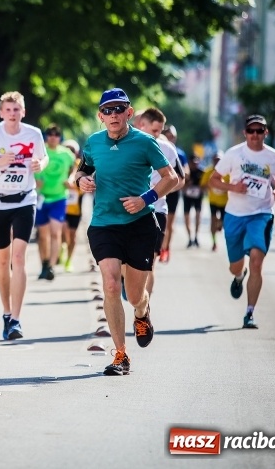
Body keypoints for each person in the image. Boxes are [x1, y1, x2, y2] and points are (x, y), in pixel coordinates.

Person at [75, 88, 177, 376]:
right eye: (107, 110)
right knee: (109, 284)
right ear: (100, 116)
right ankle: (121, 354)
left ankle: (142, 313)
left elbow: (171, 178)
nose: (113, 114)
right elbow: (82, 170)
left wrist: (145, 199)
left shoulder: (145, 143)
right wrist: (82, 181)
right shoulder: (94, 142)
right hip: (104, 224)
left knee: (134, 295)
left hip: (140, 225)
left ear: (129, 113)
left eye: (119, 109)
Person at [0, 91, 47, 340]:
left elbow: (43, 156)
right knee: (3, 260)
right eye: (8, 110)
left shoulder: (33, 134)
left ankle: (16, 320)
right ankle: (6, 312)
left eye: (16, 109)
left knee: (19, 257)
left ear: (23, 111)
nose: (12, 114)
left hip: (25, 199)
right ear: (1, 112)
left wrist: (41, 164)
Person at [209, 115, 275, 329]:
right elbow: (213, 180)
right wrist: (234, 188)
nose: (255, 135)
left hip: (261, 214)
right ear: (245, 133)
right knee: (235, 266)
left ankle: (249, 312)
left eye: (259, 131)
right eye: (251, 131)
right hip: (234, 215)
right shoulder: (234, 154)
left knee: (256, 261)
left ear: (265, 133)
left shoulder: (273, 156)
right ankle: (238, 277)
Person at [133, 109, 185, 299]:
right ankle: (128, 284)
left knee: (150, 262)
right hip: (129, 210)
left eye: (160, 130)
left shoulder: (168, 148)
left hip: (157, 210)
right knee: (126, 263)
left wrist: (160, 190)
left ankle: (143, 314)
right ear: (142, 125)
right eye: (154, 130)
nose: (158, 135)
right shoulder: (127, 145)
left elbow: (180, 179)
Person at [34, 124, 74, 280]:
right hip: (41, 197)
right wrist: (34, 180)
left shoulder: (67, 154)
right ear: (46, 136)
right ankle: (43, 263)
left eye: (56, 134)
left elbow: (75, 168)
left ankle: (51, 266)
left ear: (60, 137)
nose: (53, 137)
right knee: (43, 235)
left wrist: (70, 179)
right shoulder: (40, 150)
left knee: (55, 233)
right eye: (50, 134)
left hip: (59, 197)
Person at [160, 124, 188, 262]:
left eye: (173, 136)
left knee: (168, 223)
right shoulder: (158, 147)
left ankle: (166, 248)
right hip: (158, 191)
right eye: (168, 135)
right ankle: (157, 246)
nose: (171, 138)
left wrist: (173, 181)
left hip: (172, 191)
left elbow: (186, 172)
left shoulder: (179, 153)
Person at [62, 139, 82, 272]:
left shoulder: (80, 166)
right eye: (67, 149)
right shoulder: (59, 163)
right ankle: (60, 249)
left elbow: (85, 187)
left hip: (75, 208)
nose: (69, 152)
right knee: (62, 233)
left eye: (72, 150)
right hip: (60, 205)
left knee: (72, 235)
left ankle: (69, 260)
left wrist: (73, 186)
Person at [200, 152, 227, 251]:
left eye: (219, 160)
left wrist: (224, 188)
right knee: (213, 221)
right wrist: (211, 185)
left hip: (225, 202)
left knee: (223, 223)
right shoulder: (208, 172)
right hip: (213, 201)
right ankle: (214, 242)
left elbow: (233, 184)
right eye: (215, 160)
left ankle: (220, 225)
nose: (217, 162)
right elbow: (202, 186)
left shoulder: (227, 172)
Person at [183, 156, 204, 247]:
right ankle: (189, 238)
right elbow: (181, 186)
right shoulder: (186, 172)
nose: (195, 165)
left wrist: (200, 188)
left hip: (198, 198)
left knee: (198, 216)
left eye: (196, 163)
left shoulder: (202, 172)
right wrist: (187, 184)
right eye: (193, 163)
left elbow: (206, 186)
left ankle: (196, 237)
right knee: (187, 217)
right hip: (187, 198)